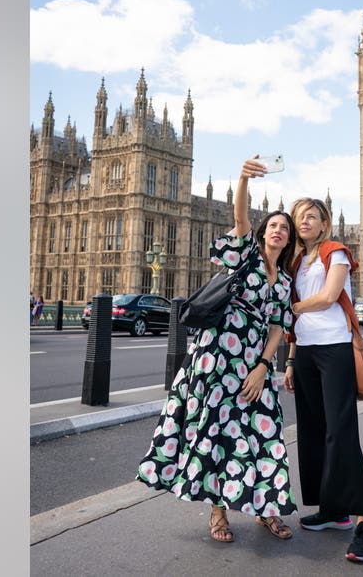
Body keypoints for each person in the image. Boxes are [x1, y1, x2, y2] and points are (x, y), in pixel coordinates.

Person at [136, 156, 298, 544]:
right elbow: (240, 217)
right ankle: (218, 513)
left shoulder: (285, 279)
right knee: (216, 431)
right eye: (272, 225)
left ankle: (267, 507)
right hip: (216, 358)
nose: (277, 230)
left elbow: (278, 326)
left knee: (264, 432)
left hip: (251, 363)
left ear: (289, 240)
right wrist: (243, 178)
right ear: (262, 233)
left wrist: (264, 366)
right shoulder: (246, 255)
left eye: (284, 228)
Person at [285, 197, 363, 563]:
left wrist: (291, 307)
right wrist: (291, 360)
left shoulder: (334, 252)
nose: (305, 222)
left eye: (312, 217)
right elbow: (297, 325)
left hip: (336, 348)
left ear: (325, 224)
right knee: (312, 431)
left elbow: (326, 298)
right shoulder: (297, 261)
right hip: (307, 352)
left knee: (341, 432)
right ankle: (332, 509)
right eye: (299, 218)